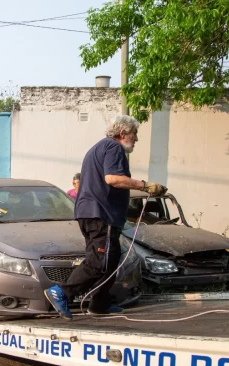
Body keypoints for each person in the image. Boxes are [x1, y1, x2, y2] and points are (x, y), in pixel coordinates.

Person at [44, 115, 167, 319]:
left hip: (91, 212)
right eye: (135, 134)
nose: (136, 139)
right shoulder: (114, 148)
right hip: (101, 214)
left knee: (111, 259)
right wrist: (145, 185)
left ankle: (100, 303)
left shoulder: (99, 148)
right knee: (99, 261)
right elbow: (112, 179)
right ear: (123, 133)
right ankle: (61, 292)